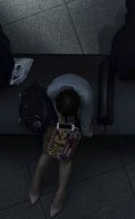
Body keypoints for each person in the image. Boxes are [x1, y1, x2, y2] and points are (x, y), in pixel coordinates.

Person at [29, 74, 95, 217]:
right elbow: (85, 126)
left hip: (66, 111)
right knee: (61, 156)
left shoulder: (86, 97)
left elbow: (85, 119)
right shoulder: (52, 91)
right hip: (62, 113)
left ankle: (38, 182)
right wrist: (65, 121)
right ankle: (59, 192)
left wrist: (66, 124)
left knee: (54, 153)